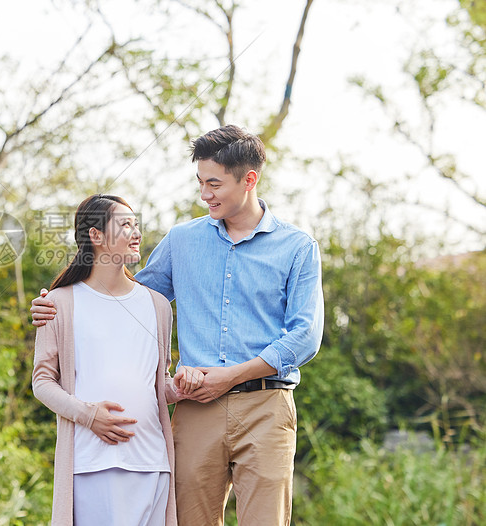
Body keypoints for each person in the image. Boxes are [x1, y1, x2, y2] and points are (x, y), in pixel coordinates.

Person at [31, 125, 324, 526]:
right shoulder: (182, 239)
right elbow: (124, 298)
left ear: (249, 179)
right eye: (201, 182)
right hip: (194, 407)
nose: (205, 194)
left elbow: (305, 336)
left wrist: (231, 375)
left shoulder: (297, 247)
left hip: (266, 406)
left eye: (214, 184)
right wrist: (56, 303)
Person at [31, 194, 203, 526]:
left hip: (153, 462)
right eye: (125, 225)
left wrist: (179, 387)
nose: (136, 232)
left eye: (136, 224)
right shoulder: (59, 303)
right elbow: (41, 382)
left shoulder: (157, 305)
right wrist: (87, 415)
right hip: (93, 462)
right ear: (95, 236)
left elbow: (156, 384)